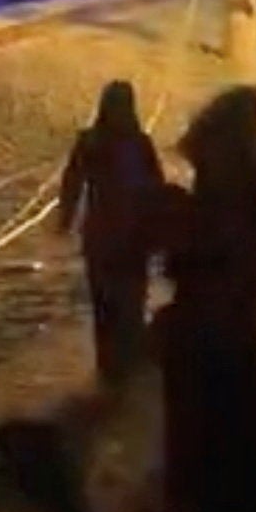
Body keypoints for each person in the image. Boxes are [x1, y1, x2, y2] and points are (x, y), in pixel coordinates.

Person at [156, 87, 256, 512]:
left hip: (215, 329)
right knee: (228, 435)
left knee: (207, 436)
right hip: (224, 330)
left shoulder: (222, 191)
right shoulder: (233, 194)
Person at [55, 80, 169, 389]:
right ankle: (128, 356)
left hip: (100, 233)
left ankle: (108, 360)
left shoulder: (89, 141)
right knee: (131, 297)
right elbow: (156, 186)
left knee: (103, 298)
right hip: (134, 234)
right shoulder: (140, 143)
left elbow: (72, 182)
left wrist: (65, 219)